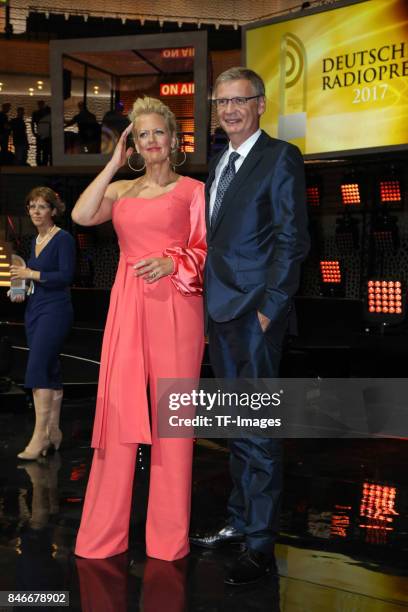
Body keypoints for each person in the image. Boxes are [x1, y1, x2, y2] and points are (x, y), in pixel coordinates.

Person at [190, 67, 310, 585]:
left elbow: (292, 239)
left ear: (261, 104)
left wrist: (271, 307)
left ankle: (260, 544)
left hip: (256, 317)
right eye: (222, 103)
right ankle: (239, 522)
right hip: (220, 315)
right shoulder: (218, 162)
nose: (230, 110)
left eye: (240, 100)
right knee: (238, 429)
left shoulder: (280, 157)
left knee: (259, 432)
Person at [73, 97, 206, 561]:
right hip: (126, 306)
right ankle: (102, 536)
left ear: (174, 139)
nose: (151, 141)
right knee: (117, 418)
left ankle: (168, 543)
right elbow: (81, 216)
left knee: (173, 423)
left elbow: (208, 251)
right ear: (134, 143)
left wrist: (172, 261)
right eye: (142, 134)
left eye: (158, 133)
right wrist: (111, 165)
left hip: (176, 307)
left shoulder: (193, 190)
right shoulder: (121, 191)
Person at [9, 187, 76, 460]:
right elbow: (34, 278)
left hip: (56, 310)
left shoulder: (64, 239)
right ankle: (54, 432)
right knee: (50, 369)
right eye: (32, 207)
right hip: (35, 309)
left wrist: (30, 272)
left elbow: (65, 275)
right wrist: (21, 287)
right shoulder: (34, 240)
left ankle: (39, 438)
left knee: (36, 369)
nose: (36, 212)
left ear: (53, 210)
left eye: (42, 207)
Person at [31, 101, 51, 166]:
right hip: (42, 134)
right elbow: (32, 123)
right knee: (41, 150)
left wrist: (33, 132)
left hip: (44, 134)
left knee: (43, 150)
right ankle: (41, 164)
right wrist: (33, 132)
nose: (41, 106)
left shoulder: (37, 113)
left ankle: (41, 164)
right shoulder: (39, 113)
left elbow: (32, 123)